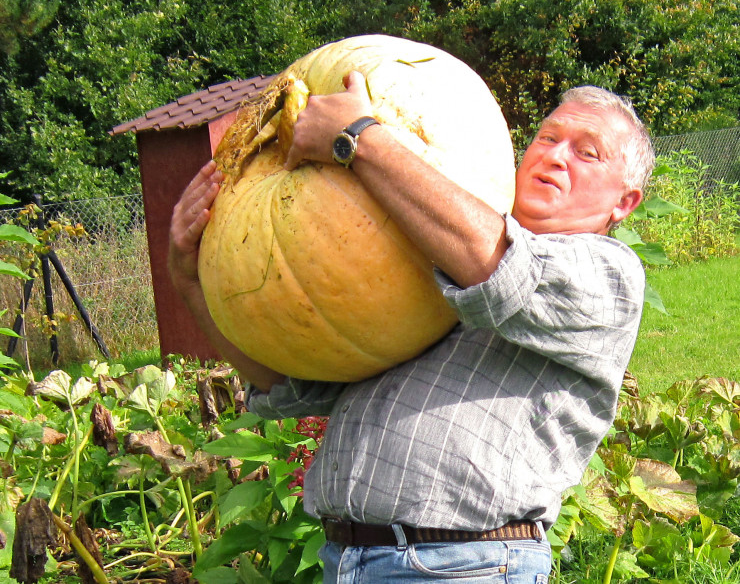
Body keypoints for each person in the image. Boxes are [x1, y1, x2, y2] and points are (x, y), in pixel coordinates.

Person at [169, 70, 654, 583]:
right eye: (549, 138)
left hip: (464, 565)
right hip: (351, 560)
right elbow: (289, 381)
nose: (556, 155)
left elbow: (499, 266)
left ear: (624, 202)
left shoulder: (610, 274)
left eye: (587, 152)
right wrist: (189, 281)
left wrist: (358, 136)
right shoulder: (425, 257)